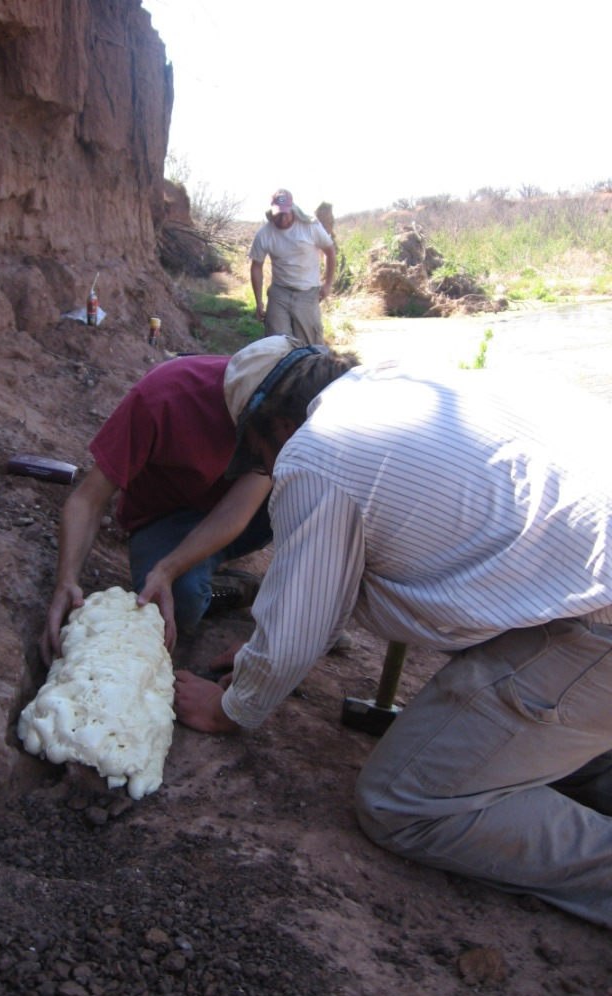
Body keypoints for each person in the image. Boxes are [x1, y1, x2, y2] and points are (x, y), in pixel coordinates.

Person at [173, 361, 612, 928]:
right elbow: (334, 580)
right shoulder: (395, 382)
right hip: (588, 577)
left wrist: (233, 705)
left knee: (402, 802)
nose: (266, 470)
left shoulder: (317, 450)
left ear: (279, 424)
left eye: (259, 455)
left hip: (597, 623)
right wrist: (273, 643)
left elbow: (304, 611)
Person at [39, 336, 358, 663]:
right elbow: (88, 501)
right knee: (182, 602)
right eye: (278, 452)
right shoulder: (162, 398)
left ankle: (293, 607)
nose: (278, 467)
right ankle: (229, 588)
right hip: (166, 518)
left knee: (318, 497)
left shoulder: (285, 409)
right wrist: (66, 581)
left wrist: (171, 567)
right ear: (280, 425)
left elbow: (236, 512)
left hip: (242, 517)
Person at [250, 188, 336, 346]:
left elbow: (330, 252)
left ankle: (309, 369)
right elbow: (256, 266)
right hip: (279, 293)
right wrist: (259, 301)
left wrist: (327, 284)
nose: (282, 219)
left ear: (293, 209)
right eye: (278, 214)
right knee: (274, 344)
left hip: (307, 293)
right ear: (272, 212)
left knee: (311, 345)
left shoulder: (310, 226)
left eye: (285, 214)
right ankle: (279, 369)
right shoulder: (264, 233)